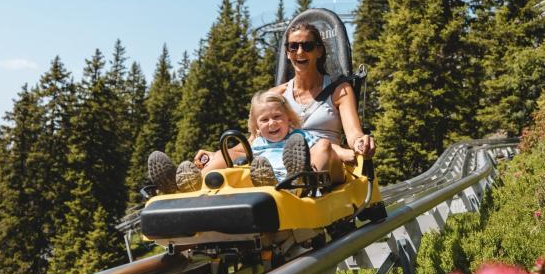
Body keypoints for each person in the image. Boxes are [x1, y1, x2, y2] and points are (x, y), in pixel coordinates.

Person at [192, 21, 375, 172]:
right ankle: (190, 187)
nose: (300, 52)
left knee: (323, 147)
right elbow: (255, 141)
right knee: (225, 158)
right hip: (276, 159)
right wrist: (218, 154)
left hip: (328, 162)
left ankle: (298, 187)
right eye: (293, 47)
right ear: (287, 53)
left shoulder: (339, 90)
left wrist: (361, 144)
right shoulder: (275, 95)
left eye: (307, 46)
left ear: (319, 51)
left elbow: (354, 135)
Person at [147, 90, 344, 194]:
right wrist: (212, 157)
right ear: (257, 126)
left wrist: (353, 153)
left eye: (277, 117)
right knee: (230, 154)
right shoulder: (257, 143)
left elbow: (328, 148)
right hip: (262, 179)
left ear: (289, 119)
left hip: (295, 181)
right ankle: (184, 185)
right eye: (265, 120)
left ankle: (300, 181)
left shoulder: (299, 136)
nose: (272, 123)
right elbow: (233, 154)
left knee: (323, 146)